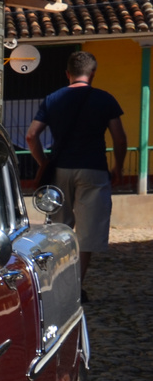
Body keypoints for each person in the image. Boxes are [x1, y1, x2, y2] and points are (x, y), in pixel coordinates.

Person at [25, 50, 128, 296]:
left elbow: (31, 135)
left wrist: (42, 163)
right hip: (93, 169)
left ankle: (59, 281)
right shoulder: (105, 99)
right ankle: (74, 287)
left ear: (67, 74)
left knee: (60, 229)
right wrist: (118, 166)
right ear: (93, 73)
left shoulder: (52, 99)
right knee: (88, 232)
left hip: (60, 170)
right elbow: (119, 138)